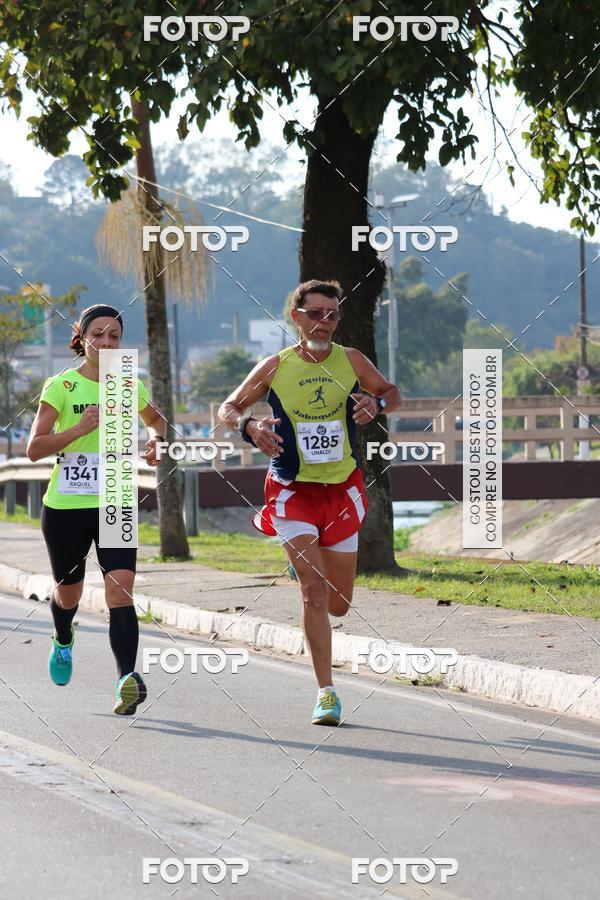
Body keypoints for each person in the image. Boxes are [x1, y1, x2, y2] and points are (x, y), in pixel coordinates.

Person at [218, 280, 402, 725]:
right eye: (316, 313)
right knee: (313, 591)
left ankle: (314, 569)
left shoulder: (351, 360)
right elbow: (228, 407)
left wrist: (376, 404)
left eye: (333, 314)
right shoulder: (275, 366)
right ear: (296, 317)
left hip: (342, 490)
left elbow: (393, 393)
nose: (325, 322)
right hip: (291, 490)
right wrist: (249, 427)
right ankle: (326, 692)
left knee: (339, 603)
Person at [27, 304, 166, 715]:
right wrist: (78, 430)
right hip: (67, 506)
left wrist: (156, 439)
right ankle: (63, 637)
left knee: (120, 591)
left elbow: (156, 420)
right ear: (82, 338)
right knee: (68, 594)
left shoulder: (127, 383)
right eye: (98, 334)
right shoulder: (61, 386)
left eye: (115, 337)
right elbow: (35, 448)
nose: (106, 342)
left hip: (116, 500)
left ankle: (127, 678)